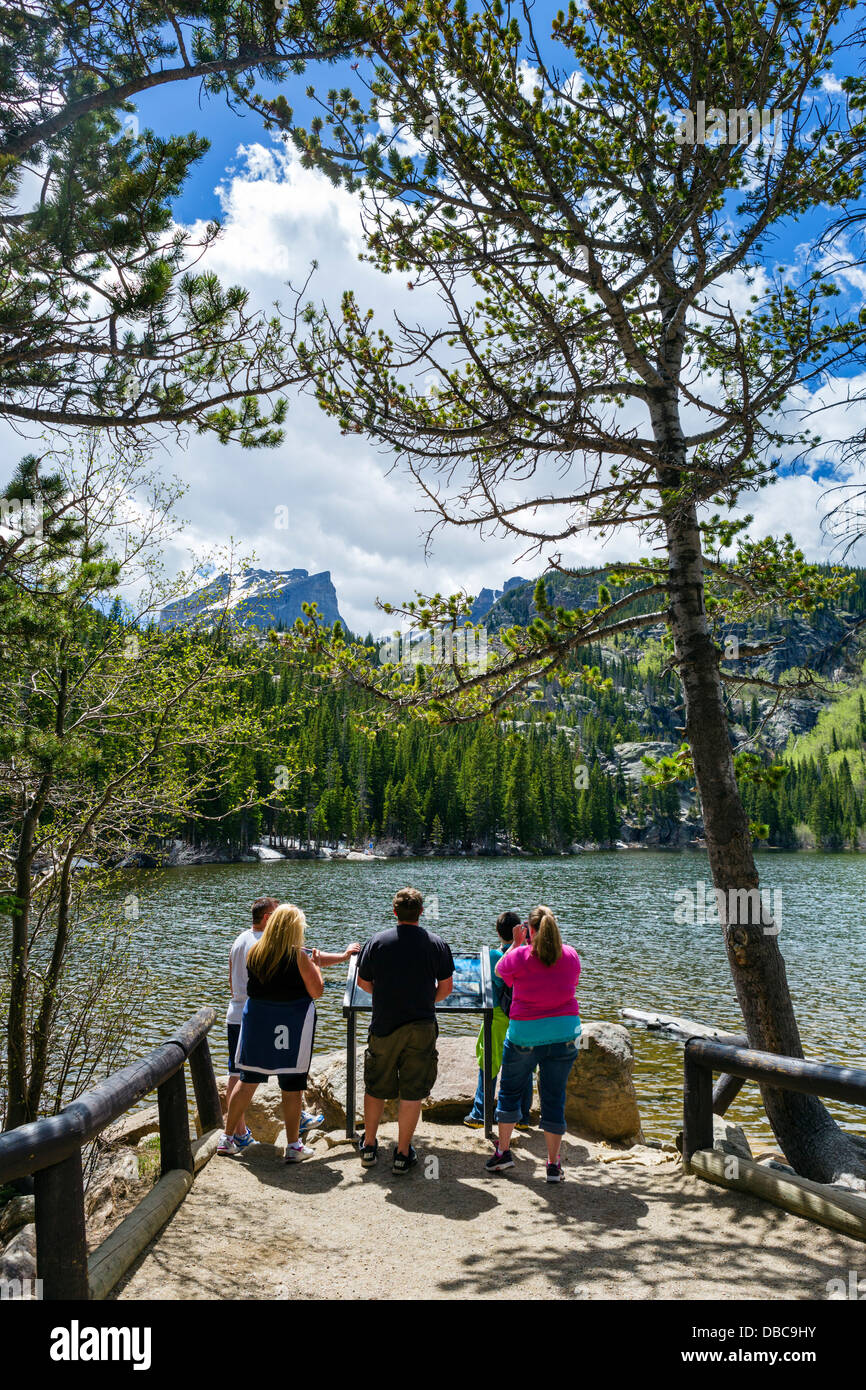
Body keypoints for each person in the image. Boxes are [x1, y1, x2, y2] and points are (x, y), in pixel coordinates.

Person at [355, 887, 454, 1174]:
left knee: (375, 1087)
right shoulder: (436, 944)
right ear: (421, 912)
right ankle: (401, 1154)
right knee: (412, 1092)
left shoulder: (377, 941)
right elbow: (446, 988)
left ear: (394, 911)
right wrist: (424, 1001)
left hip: (384, 1023)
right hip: (421, 1025)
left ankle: (370, 1147)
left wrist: (384, 998)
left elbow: (363, 982)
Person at [219, 903, 324, 1162]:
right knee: (292, 1085)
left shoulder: (255, 951)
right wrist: (317, 964)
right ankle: (293, 1146)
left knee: (247, 1080)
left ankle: (227, 1138)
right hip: (292, 1025)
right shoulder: (298, 956)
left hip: (258, 1023)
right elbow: (317, 991)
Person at [484, 905, 581, 1184]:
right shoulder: (571, 955)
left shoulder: (521, 955)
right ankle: (553, 1165)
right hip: (564, 1034)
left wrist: (516, 943)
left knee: (510, 1092)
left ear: (530, 930)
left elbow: (502, 972)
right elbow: (572, 984)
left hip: (524, 1035)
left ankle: (504, 1153)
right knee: (554, 1096)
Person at [463, 911, 533, 1130]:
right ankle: (522, 1117)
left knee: (489, 1063)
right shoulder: (528, 954)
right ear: (520, 930)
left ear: (498, 931)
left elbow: (499, 972)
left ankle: (480, 1113)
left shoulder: (493, 955)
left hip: (496, 1016)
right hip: (521, 1016)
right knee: (524, 1065)